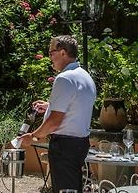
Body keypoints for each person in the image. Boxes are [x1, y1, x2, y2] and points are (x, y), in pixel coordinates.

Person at [19, 35, 96, 193]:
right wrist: (50, 107)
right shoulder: (84, 76)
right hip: (80, 144)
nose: (50, 57)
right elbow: (77, 106)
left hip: (64, 146)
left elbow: (54, 122)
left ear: (63, 52)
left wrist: (33, 136)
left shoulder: (64, 78)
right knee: (72, 188)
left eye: (51, 52)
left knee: (65, 190)